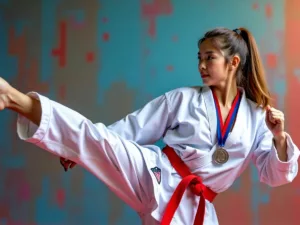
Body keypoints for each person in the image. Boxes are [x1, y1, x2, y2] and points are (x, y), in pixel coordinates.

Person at [1, 27, 299, 225]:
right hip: (155, 174)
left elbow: (274, 175)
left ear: (233, 63)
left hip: (198, 207)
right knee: (98, 139)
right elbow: (134, 127)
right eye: (200, 58)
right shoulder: (183, 98)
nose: (201, 65)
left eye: (210, 58)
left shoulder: (258, 117)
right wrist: (80, 152)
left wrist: (279, 137)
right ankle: (14, 98)